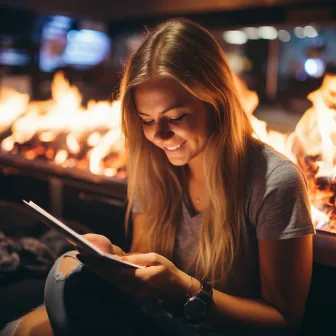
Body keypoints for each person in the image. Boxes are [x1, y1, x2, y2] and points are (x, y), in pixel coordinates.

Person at [1, 18, 315, 336]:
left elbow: (284, 322)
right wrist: (117, 261)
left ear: (217, 102)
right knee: (32, 317)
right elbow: (145, 274)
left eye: (177, 117)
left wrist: (186, 289)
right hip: (157, 320)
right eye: (147, 120)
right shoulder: (154, 166)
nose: (160, 135)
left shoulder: (275, 182)